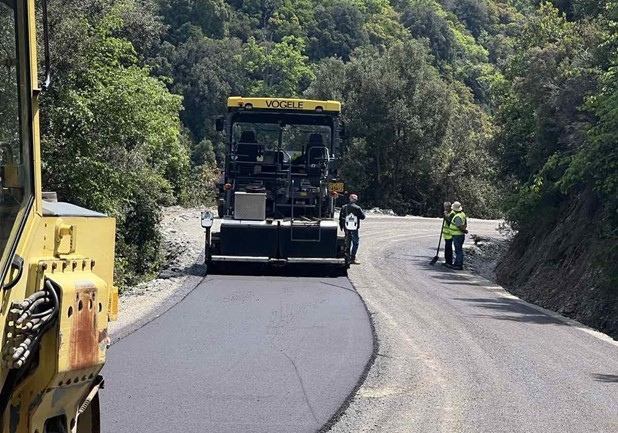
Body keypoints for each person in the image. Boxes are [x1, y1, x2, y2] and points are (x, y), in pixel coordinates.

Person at [339, 193, 366, 265]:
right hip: (354, 227)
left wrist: (341, 226)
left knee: (347, 241)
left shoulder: (344, 207)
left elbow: (340, 218)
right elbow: (363, 217)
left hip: (346, 227)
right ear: (356, 200)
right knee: (355, 242)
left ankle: (347, 257)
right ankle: (352, 257)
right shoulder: (357, 208)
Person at [448, 201, 468, 270]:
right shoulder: (462, 214)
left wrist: (464, 231)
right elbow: (465, 223)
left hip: (457, 235)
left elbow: (459, 226)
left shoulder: (457, 217)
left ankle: (459, 264)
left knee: (458, 250)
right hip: (459, 235)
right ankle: (457, 263)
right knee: (458, 250)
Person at [442, 201, 455, 268]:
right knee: (447, 248)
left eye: (447, 207)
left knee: (449, 249)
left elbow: (449, 222)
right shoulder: (447, 213)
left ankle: (449, 262)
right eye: (445, 207)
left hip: (450, 234)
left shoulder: (452, 213)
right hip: (446, 234)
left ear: (450, 207)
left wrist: (446, 215)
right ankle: (447, 261)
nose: (446, 208)